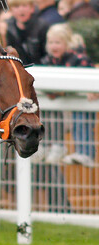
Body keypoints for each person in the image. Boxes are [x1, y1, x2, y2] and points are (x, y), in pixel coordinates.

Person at [39, 23, 98, 167]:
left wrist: (93, 90)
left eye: (58, 42)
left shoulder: (79, 59)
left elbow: (91, 77)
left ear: (67, 43)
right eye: (51, 42)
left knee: (81, 122)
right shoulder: (46, 61)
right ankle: (50, 146)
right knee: (47, 114)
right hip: (58, 100)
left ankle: (85, 152)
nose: (54, 46)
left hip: (82, 100)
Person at [4, 0, 49, 66]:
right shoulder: (7, 27)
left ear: (32, 8)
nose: (21, 9)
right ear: (11, 10)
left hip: (39, 68)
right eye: (16, 6)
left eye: (24, 6)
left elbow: (46, 54)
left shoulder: (42, 26)